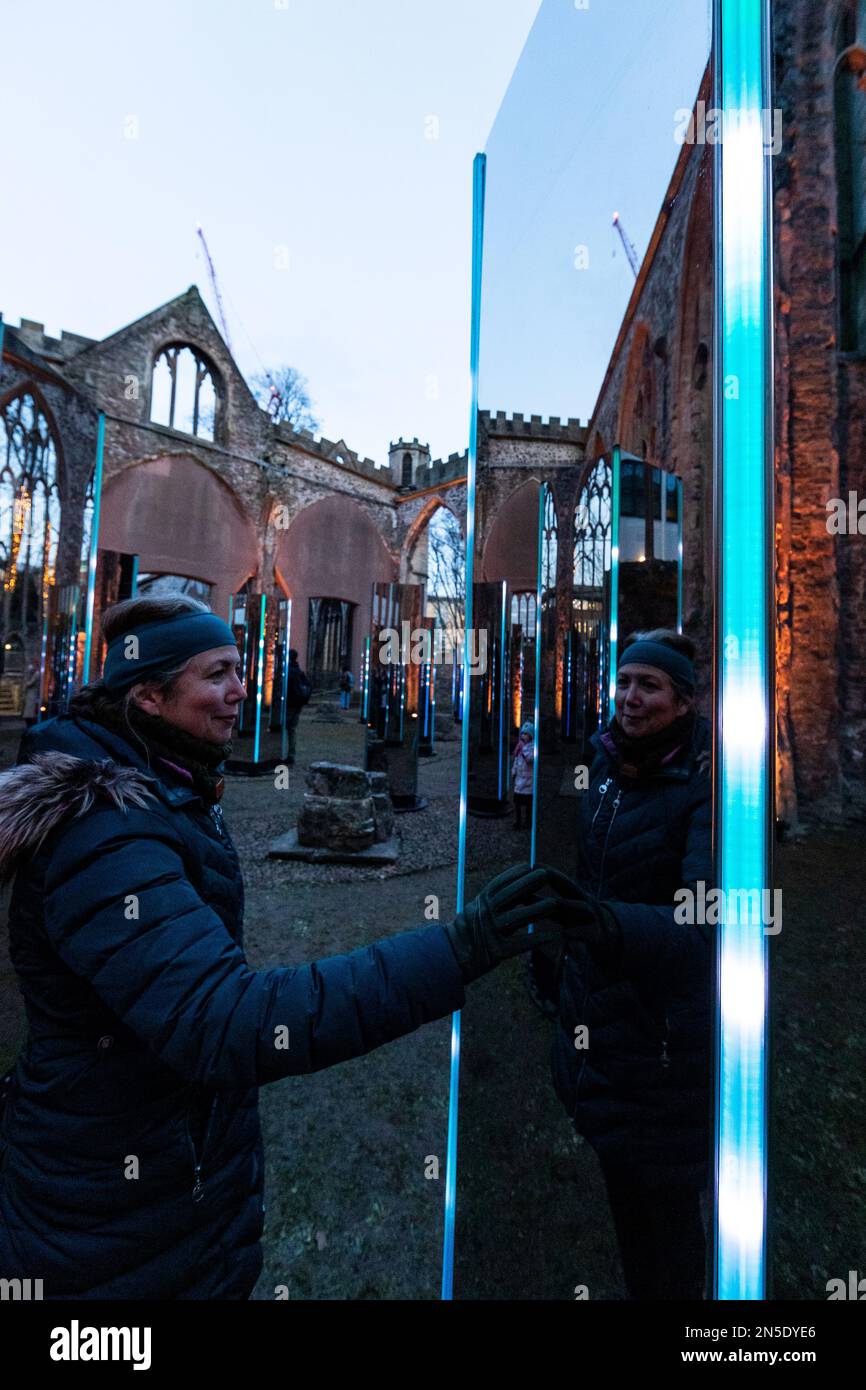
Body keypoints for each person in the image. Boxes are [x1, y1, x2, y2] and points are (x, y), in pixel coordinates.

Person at [0, 594, 566, 1300]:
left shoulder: (162, 790)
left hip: (166, 1184)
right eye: (217, 674)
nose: (242, 690)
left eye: (239, 669)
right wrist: (453, 951)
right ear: (148, 697)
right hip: (109, 1216)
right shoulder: (106, 830)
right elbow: (224, 1020)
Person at [548, 630, 713, 1301]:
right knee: (628, 1207)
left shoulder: (704, 789)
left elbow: (705, 931)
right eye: (624, 683)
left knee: (667, 1230)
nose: (629, 698)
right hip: (605, 1029)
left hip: (665, 1049)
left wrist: (602, 925)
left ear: (681, 703)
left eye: (649, 686)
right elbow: (595, 879)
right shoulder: (608, 769)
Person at [283, 647, 310, 765]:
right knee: (292, 730)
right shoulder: (299, 671)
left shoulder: (288, 671)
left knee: (285, 728)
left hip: (290, 703)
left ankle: (284, 753)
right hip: (298, 703)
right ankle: (291, 754)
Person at [511, 721, 534, 830]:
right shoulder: (519, 748)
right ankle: (518, 820)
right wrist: (513, 771)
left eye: (525, 734)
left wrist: (523, 750)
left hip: (528, 782)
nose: (523, 736)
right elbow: (516, 760)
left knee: (528, 804)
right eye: (522, 734)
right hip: (519, 780)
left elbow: (530, 759)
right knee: (517, 803)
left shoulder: (532, 747)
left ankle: (528, 821)